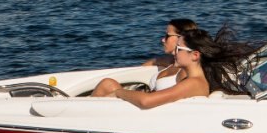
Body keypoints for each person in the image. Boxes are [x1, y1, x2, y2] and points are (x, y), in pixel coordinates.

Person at [94, 25, 257, 108]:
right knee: (107, 83)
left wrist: (119, 93)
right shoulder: (192, 79)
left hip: (152, 122)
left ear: (195, 55)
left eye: (179, 49)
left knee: (109, 87)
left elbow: (146, 101)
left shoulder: (194, 83)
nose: (174, 52)